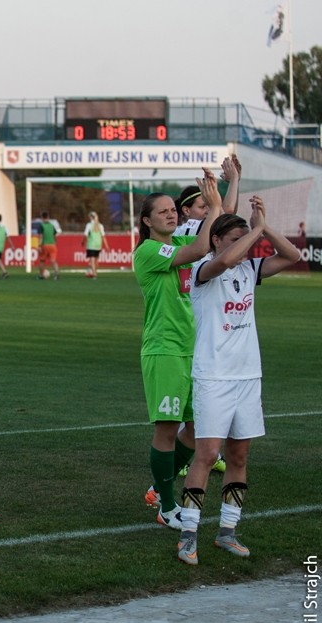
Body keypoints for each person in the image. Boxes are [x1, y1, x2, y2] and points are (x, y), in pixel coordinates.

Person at [177, 197, 301, 565]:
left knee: (239, 455)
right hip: (214, 376)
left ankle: (227, 532)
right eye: (235, 239)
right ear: (215, 240)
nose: (244, 247)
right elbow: (225, 261)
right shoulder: (202, 269)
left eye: (246, 240)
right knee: (206, 455)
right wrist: (255, 230)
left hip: (248, 375)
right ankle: (188, 535)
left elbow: (292, 255)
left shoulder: (250, 269)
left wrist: (263, 226)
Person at [132, 168, 222, 531]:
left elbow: (211, 237)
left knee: (197, 427)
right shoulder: (148, 251)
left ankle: (159, 486)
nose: (171, 214)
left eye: (173, 209)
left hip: (189, 348)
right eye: (163, 211)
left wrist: (221, 196)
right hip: (164, 349)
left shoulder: (177, 242)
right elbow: (201, 247)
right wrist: (214, 205)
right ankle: (167, 507)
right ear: (147, 221)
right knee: (167, 428)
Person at [168, 156, 243, 480]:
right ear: (186, 211)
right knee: (197, 397)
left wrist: (229, 185)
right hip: (189, 318)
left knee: (200, 399)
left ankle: (202, 452)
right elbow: (225, 218)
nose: (208, 209)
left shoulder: (195, 228)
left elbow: (224, 218)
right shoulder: (190, 230)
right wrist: (232, 183)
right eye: (202, 206)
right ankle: (185, 459)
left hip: (197, 315)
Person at [35, 211, 60, 280]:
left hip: (45, 245)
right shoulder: (52, 226)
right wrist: (54, 242)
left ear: (42, 218)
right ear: (48, 217)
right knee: (53, 261)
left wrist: (39, 246)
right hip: (53, 245)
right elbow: (55, 236)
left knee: (42, 260)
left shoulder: (41, 226)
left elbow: (41, 236)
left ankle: (41, 275)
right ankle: (57, 274)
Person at [82, 211, 107, 278]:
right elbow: (103, 236)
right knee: (96, 261)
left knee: (92, 260)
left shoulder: (89, 225)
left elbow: (85, 235)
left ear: (90, 217)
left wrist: (83, 242)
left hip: (91, 245)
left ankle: (94, 274)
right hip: (98, 245)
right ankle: (94, 272)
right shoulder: (100, 225)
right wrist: (107, 246)